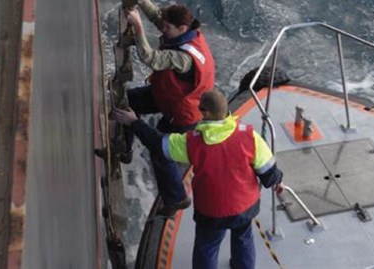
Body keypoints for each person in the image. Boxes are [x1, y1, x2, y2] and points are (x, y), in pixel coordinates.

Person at [111, 89, 284, 269]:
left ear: (206, 113)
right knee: (244, 238)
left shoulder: (191, 143)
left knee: (207, 247)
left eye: (200, 107)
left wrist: (134, 122)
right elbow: (269, 173)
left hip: (212, 212)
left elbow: (158, 145)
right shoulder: (250, 136)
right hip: (245, 207)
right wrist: (278, 181)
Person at [110, 0, 216, 215]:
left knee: (161, 152)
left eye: (168, 28)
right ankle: (124, 150)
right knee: (131, 100)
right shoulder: (183, 33)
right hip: (168, 94)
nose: (163, 29)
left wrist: (138, 26)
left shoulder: (184, 58)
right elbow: (160, 17)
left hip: (182, 112)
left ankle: (177, 199)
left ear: (182, 29)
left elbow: (150, 58)